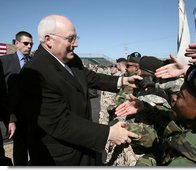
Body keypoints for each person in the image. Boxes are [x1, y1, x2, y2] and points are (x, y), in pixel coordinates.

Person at [18, 14, 141, 166]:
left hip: (85, 148)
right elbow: (59, 122)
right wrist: (109, 133)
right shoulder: (34, 73)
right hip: (62, 158)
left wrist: (122, 80)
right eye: (70, 39)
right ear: (48, 39)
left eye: (76, 38)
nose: (76, 44)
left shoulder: (72, 59)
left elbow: (91, 77)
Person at [116, 65, 196, 166]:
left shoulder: (188, 163)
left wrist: (146, 161)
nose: (173, 97)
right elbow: (169, 121)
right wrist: (145, 107)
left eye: (180, 96)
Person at [0, 31, 33, 165]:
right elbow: (2, 93)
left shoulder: (33, 62)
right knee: (20, 149)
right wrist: (10, 118)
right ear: (17, 43)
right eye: (26, 43)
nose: (29, 46)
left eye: (31, 44)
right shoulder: (4, 62)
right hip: (14, 115)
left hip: (33, 114)